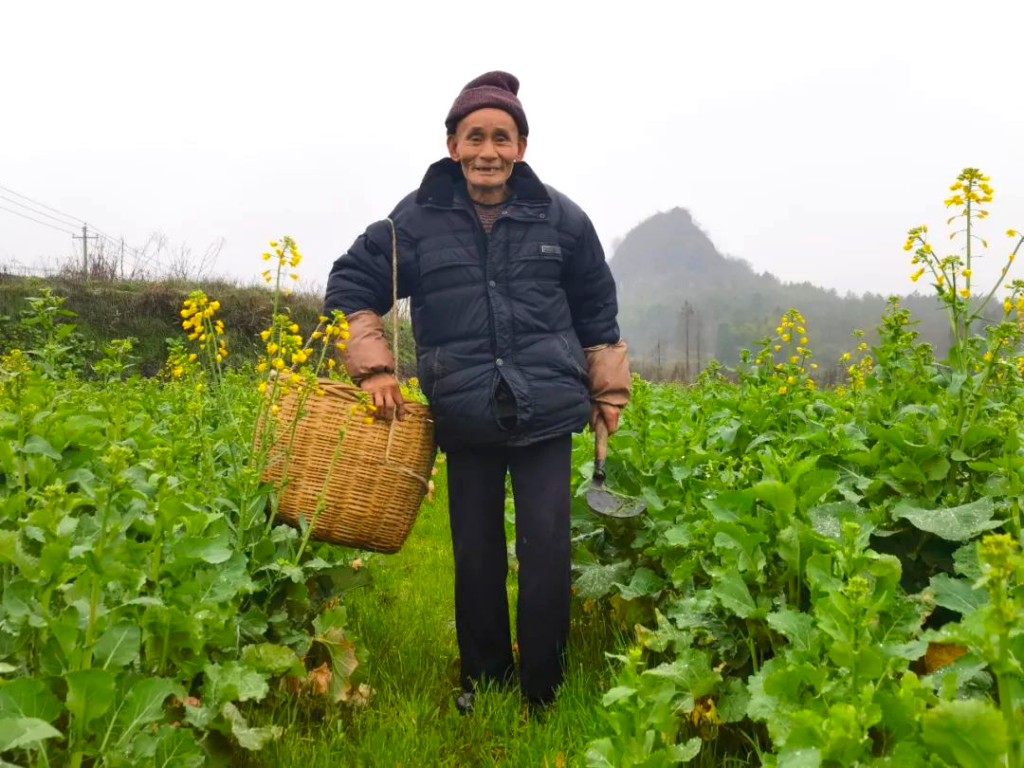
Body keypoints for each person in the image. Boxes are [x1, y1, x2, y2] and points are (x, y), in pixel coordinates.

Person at [323, 71, 630, 711]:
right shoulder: (413, 222)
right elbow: (352, 285)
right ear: (452, 144)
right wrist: (376, 368)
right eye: (475, 137)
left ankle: (544, 688)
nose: (488, 150)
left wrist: (608, 394)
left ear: (521, 147)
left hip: (545, 409)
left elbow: (598, 309)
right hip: (465, 413)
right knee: (477, 555)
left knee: (546, 554)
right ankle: (484, 681)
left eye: (502, 137)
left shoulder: (562, 218)